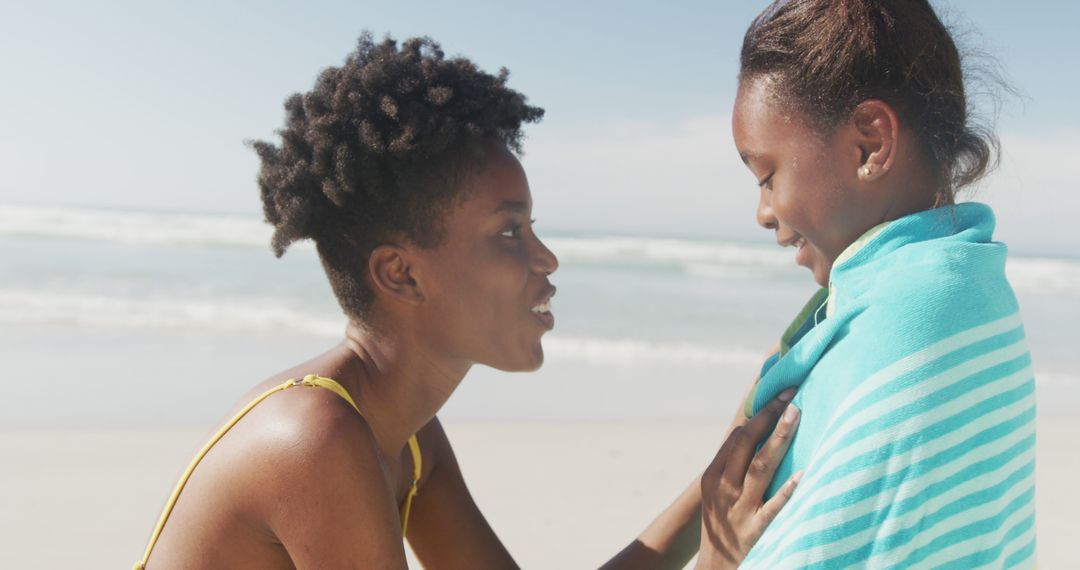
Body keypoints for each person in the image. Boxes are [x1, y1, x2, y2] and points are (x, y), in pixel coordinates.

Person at [134, 34, 799, 569]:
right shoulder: (315, 441)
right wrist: (716, 560)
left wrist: (721, 476)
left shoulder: (407, 435)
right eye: (510, 233)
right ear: (400, 274)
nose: (546, 259)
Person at [729, 0, 1035, 567]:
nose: (763, 212)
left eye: (768, 177)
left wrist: (722, 555)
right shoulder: (980, 293)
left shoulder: (890, 341)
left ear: (870, 144)